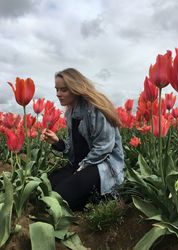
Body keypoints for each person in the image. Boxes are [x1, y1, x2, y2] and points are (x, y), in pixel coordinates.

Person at [41, 68, 124, 211]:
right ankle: (87, 197)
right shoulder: (70, 113)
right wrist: (57, 142)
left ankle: (105, 196)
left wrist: (80, 169)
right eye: (57, 89)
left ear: (75, 89)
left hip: (102, 167)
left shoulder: (95, 109)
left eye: (63, 90)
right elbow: (74, 149)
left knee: (57, 199)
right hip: (82, 164)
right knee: (45, 187)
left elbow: (104, 148)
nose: (58, 94)